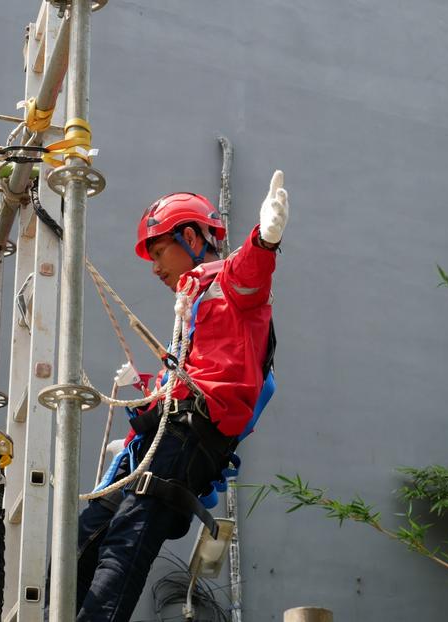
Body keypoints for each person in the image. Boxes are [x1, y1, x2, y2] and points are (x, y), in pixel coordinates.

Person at [72, 170, 289, 621]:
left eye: (158, 251)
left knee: (124, 547)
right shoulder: (194, 306)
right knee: (84, 539)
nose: (154, 267)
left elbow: (250, 273)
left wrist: (265, 241)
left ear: (191, 237)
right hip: (163, 437)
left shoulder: (228, 285)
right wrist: (147, 396)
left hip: (186, 441)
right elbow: (198, 371)